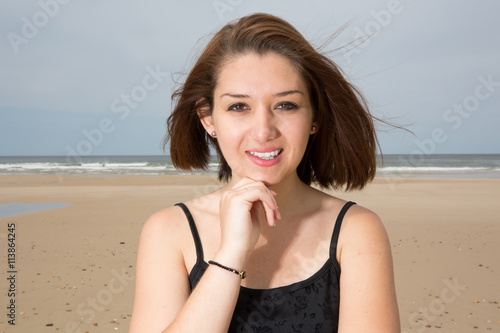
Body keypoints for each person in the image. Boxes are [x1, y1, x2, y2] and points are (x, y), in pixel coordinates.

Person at [129, 13, 400, 333]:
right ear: (208, 119)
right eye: (238, 107)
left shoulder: (356, 232)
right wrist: (230, 256)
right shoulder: (169, 232)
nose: (263, 131)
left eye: (286, 105)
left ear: (314, 117)